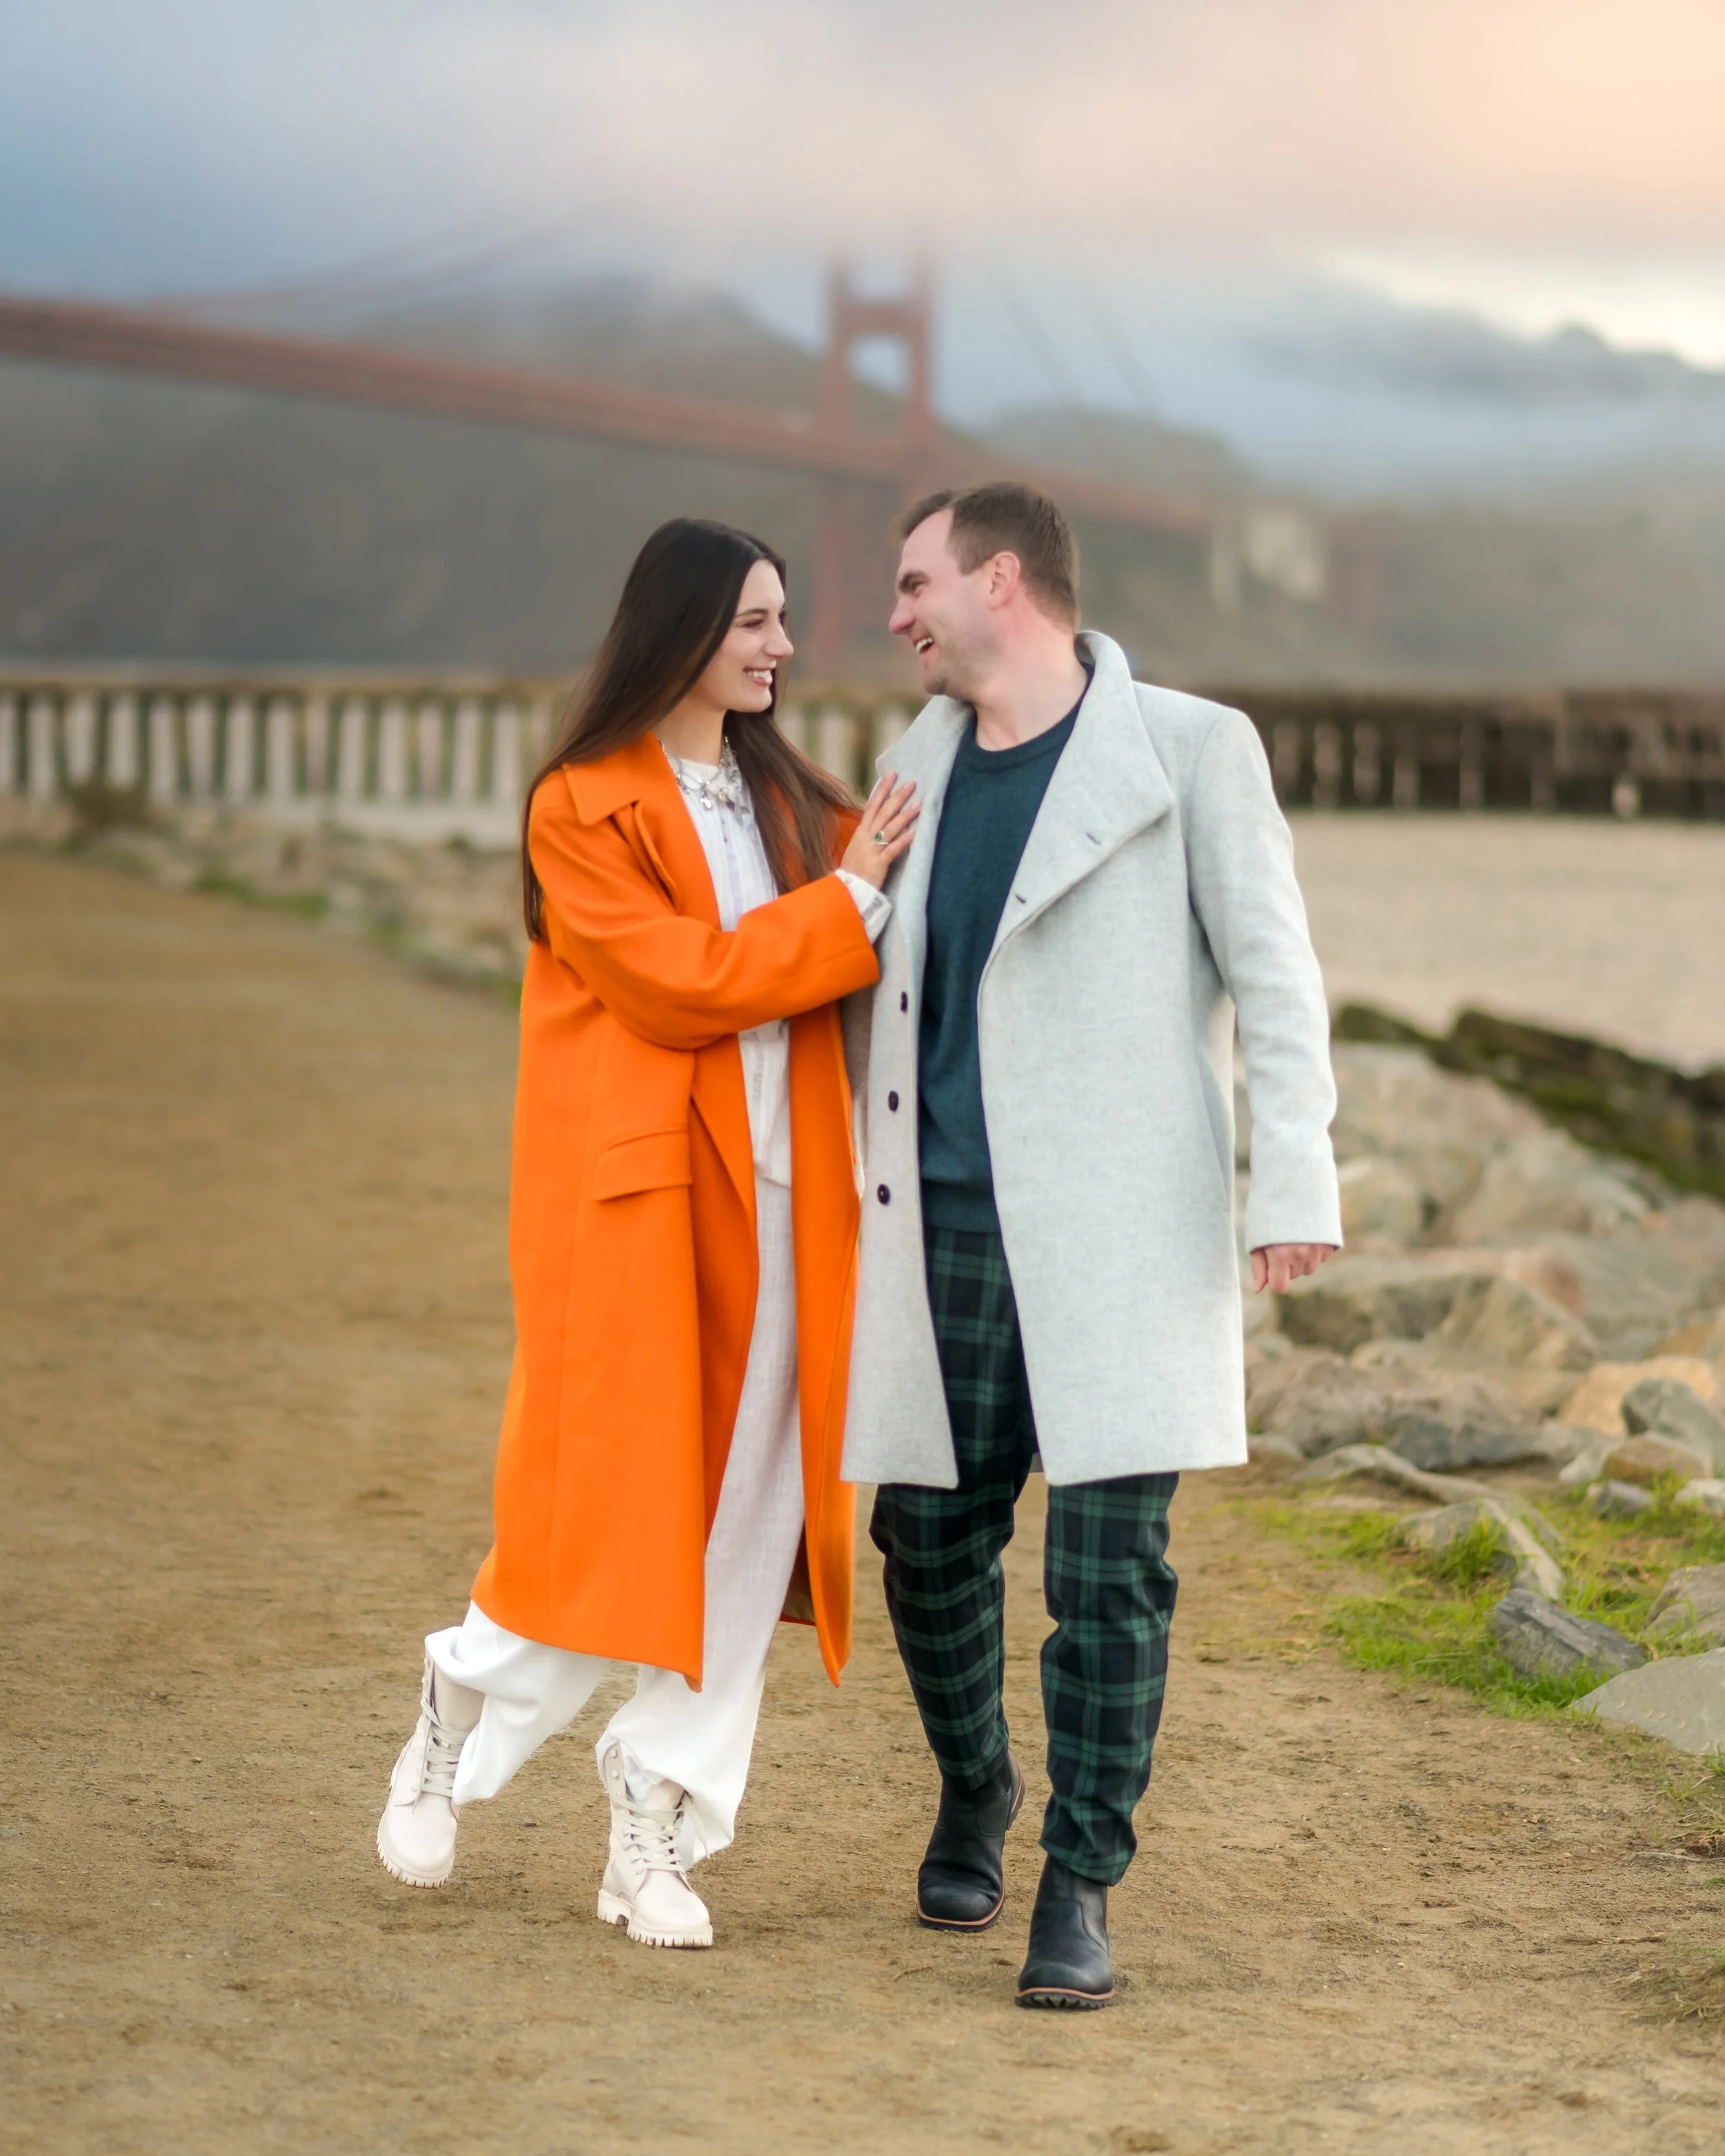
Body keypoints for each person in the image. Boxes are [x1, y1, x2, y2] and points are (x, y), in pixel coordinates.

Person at [375, 517, 918, 1949]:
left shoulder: (798, 799)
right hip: (644, 1203)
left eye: (782, 621)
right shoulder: (578, 806)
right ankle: (453, 1701)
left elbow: (905, 909)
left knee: (746, 1532)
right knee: (603, 1516)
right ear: (677, 628)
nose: (779, 646)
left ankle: (652, 1835)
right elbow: (681, 984)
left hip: (794, 1197)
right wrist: (853, 899)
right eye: (752, 620)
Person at [841, 482, 1340, 2008]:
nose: (893, 610)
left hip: (1125, 1233)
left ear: (1003, 580)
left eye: (915, 579)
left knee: (1105, 1574)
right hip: (939, 1229)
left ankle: (1079, 1874)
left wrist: (1290, 1182)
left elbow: (1274, 974)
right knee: (922, 1544)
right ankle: (975, 1784)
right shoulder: (909, 761)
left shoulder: (1193, 748)